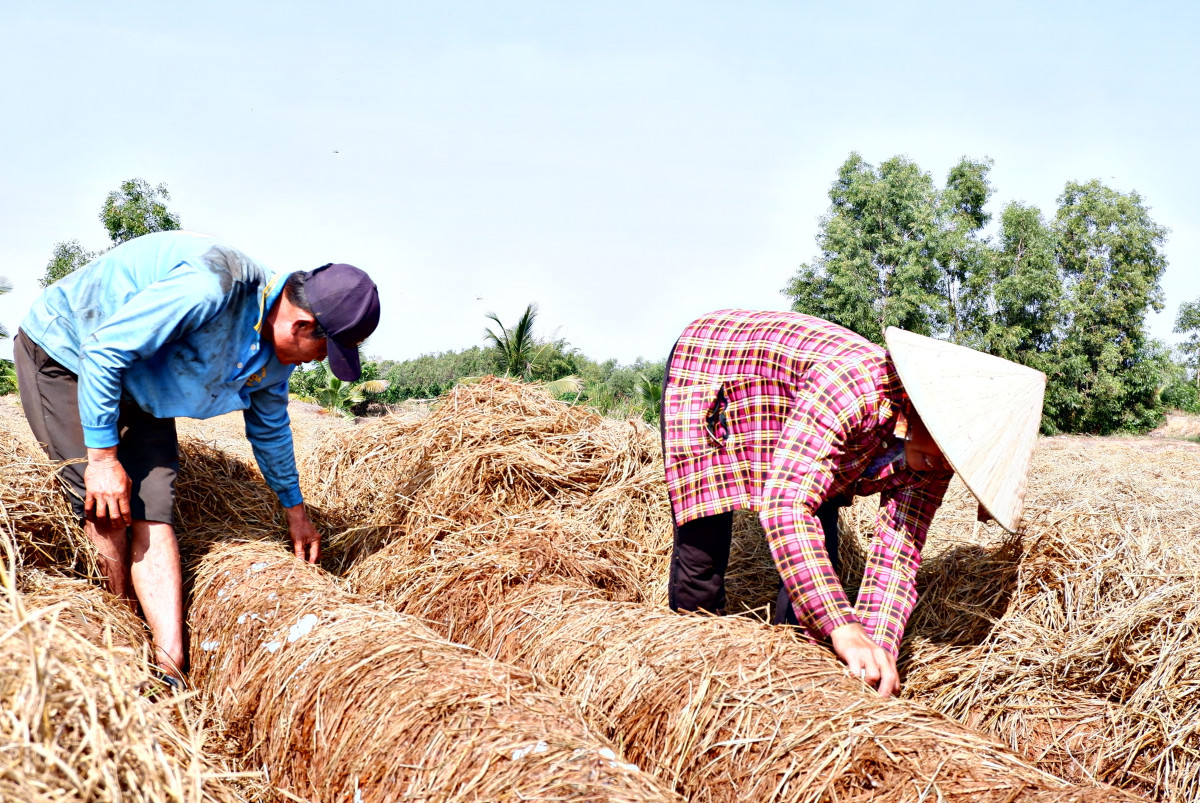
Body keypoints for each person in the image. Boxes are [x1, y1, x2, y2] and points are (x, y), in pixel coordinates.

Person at [14, 231, 380, 685]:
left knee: (154, 506)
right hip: (70, 351)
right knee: (106, 504)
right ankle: (123, 636)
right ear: (301, 326)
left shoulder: (274, 359)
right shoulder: (212, 287)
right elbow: (104, 353)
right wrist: (104, 461)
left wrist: (296, 511)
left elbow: (270, 431)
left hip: (138, 377)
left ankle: (169, 666)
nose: (314, 363)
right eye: (323, 351)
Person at [661, 309, 1044, 696]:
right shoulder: (851, 388)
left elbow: (896, 557)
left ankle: (794, 676)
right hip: (717, 368)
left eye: (958, 460)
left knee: (822, 544)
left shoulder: (932, 461)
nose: (944, 465)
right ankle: (691, 670)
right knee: (704, 539)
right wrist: (843, 626)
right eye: (947, 447)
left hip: (806, 414)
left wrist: (877, 651)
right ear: (922, 406)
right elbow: (787, 507)